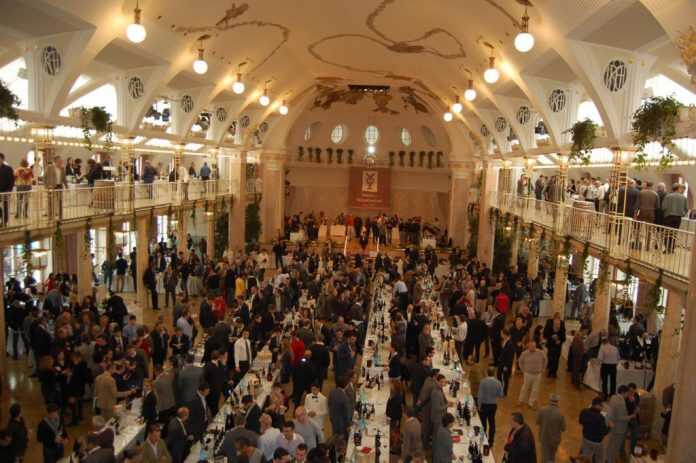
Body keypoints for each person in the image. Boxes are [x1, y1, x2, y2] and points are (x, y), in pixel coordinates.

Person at [606, 385, 635, 463]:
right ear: (623, 392)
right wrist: (631, 416)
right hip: (619, 428)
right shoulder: (621, 402)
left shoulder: (613, 397)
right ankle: (610, 460)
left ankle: (607, 459)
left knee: (610, 444)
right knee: (615, 447)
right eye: (627, 393)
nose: (628, 395)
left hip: (612, 425)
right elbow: (621, 417)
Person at [478, 366, 504, 444]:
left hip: (484, 405)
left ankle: (483, 438)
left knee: (483, 423)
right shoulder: (498, 382)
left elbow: (480, 395)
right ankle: (491, 440)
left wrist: (479, 405)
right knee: (492, 422)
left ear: (487, 372)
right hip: (493, 405)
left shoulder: (483, 381)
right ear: (494, 373)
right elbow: (501, 395)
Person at [537, 394, 565, 463]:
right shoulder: (560, 414)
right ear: (558, 402)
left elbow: (538, 422)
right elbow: (563, 428)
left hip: (544, 438)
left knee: (544, 457)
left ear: (549, 400)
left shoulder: (542, 410)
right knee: (551, 457)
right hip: (555, 440)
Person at [517, 341, 547, 408]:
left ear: (535, 346)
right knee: (525, 387)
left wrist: (543, 368)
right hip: (528, 374)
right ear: (528, 347)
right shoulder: (524, 353)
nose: (532, 348)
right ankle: (521, 400)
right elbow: (520, 361)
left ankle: (531, 402)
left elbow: (545, 360)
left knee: (535, 389)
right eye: (531, 347)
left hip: (537, 374)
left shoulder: (540, 352)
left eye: (534, 346)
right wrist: (523, 370)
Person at [625, 383, 641, 458]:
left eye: (633, 391)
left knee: (635, 434)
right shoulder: (624, 397)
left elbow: (637, 406)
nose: (631, 393)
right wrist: (629, 401)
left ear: (635, 390)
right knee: (623, 435)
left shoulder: (636, 396)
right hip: (626, 417)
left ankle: (632, 452)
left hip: (634, 417)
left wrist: (636, 408)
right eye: (630, 391)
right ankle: (621, 452)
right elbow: (624, 409)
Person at [497, 329, 515, 395]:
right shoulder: (504, 341)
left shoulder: (510, 344)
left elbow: (510, 357)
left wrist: (506, 366)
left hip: (506, 364)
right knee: (499, 375)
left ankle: (505, 391)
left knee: (505, 378)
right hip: (502, 362)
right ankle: (501, 389)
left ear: (505, 335)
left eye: (501, 334)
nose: (500, 335)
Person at [0, 152, 15, 226]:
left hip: (6, 191)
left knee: (5, 206)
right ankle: (1, 216)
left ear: (2, 159)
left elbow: (12, 180)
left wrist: (9, 190)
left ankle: (4, 221)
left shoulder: (8, 169)